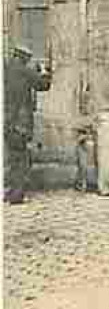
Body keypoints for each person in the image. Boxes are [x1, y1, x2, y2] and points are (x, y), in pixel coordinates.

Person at [4, 44, 52, 204]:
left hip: (7, 120)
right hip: (20, 121)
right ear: (24, 58)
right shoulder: (24, 71)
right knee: (21, 158)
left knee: (12, 157)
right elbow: (43, 85)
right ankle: (17, 195)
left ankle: (10, 192)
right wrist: (45, 72)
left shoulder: (5, 69)